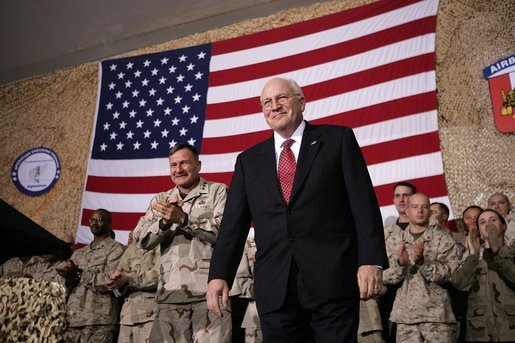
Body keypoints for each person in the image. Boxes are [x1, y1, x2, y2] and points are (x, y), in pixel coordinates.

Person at [207, 77, 388, 342]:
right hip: (276, 287)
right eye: (267, 103)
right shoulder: (248, 161)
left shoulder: (337, 140)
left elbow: (364, 205)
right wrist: (219, 275)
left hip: (332, 281)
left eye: (282, 98)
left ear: (301, 102)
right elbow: (233, 224)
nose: (274, 107)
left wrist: (370, 260)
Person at [135, 143, 231, 342]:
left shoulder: (218, 192)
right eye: (173, 165)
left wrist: (184, 220)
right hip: (170, 295)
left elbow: (227, 232)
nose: (178, 169)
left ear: (198, 165)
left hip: (209, 294)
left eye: (184, 163)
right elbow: (141, 239)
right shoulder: (161, 200)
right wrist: (162, 223)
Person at [383, 193, 462, 342]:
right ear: (407, 211)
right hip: (405, 318)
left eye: (424, 207)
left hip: (437, 317)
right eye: (414, 207)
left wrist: (422, 262)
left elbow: (452, 273)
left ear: (430, 212)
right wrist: (401, 264)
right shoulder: (394, 240)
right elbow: (384, 276)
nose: (420, 211)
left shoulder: (443, 239)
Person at [57, 208, 126, 343]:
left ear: (109, 223)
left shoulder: (117, 249)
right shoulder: (78, 253)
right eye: (92, 220)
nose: (94, 223)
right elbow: (65, 284)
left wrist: (78, 273)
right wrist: (69, 278)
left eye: (99, 220)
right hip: (73, 319)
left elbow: (110, 281)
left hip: (99, 321)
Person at [451, 209, 515, 342]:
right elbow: (459, 284)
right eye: (483, 222)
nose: (488, 224)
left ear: (503, 226)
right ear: (479, 231)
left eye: (493, 220)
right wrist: (473, 255)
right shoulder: (470, 255)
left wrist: (497, 250)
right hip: (481, 331)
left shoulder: (512, 252)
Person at [107, 230, 159, 343]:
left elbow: (159, 275)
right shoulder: (132, 248)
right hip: (127, 316)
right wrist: (117, 282)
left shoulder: (162, 244)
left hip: (150, 315)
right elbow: (119, 274)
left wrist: (129, 279)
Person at [380, 181, 416, 342]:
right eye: (397, 196)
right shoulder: (383, 234)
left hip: (421, 302)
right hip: (390, 300)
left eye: (406, 195)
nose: (401, 200)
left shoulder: (426, 230)